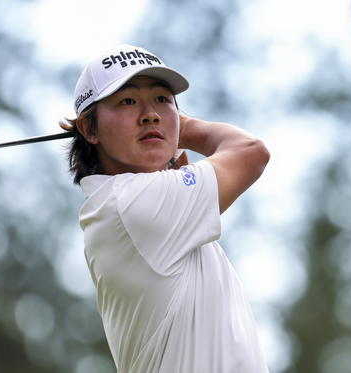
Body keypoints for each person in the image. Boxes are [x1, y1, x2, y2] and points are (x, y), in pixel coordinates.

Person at [60, 44, 270, 373]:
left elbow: (175, 171)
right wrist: (176, 128)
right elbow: (250, 151)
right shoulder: (131, 204)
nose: (150, 113)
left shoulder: (118, 205)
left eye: (162, 99)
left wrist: (164, 133)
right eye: (127, 101)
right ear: (88, 129)